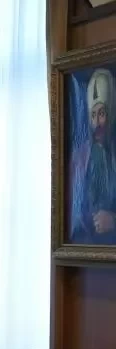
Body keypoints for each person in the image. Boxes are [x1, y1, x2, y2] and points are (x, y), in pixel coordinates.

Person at [70, 68, 116, 245]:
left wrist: (113, 220)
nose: (97, 123)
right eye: (93, 115)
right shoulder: (80, 159)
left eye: (102, 114)